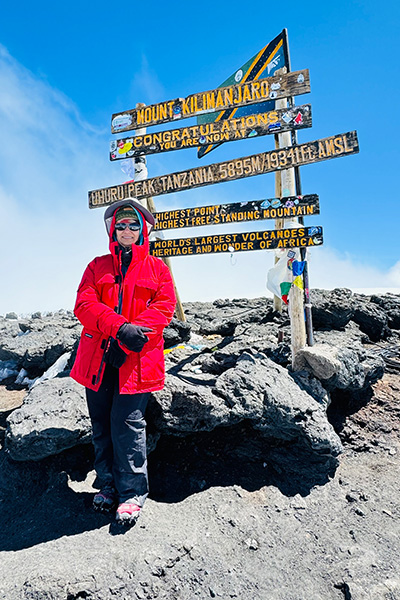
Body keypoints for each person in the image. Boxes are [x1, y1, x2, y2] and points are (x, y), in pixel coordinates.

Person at [71, 198, 176, 523]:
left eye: (133, 224)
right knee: (101, 425)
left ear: (143, 229)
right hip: (98, 361)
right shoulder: (96, 266)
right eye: (121, 225)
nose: (127, 230)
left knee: (127, 426)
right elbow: (84, 304)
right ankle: (107, 485)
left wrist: (127, 344)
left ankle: (131, 494)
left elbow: (163, 308)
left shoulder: (158, 269)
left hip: (136, 364)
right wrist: (120, 330)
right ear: (112, 230)